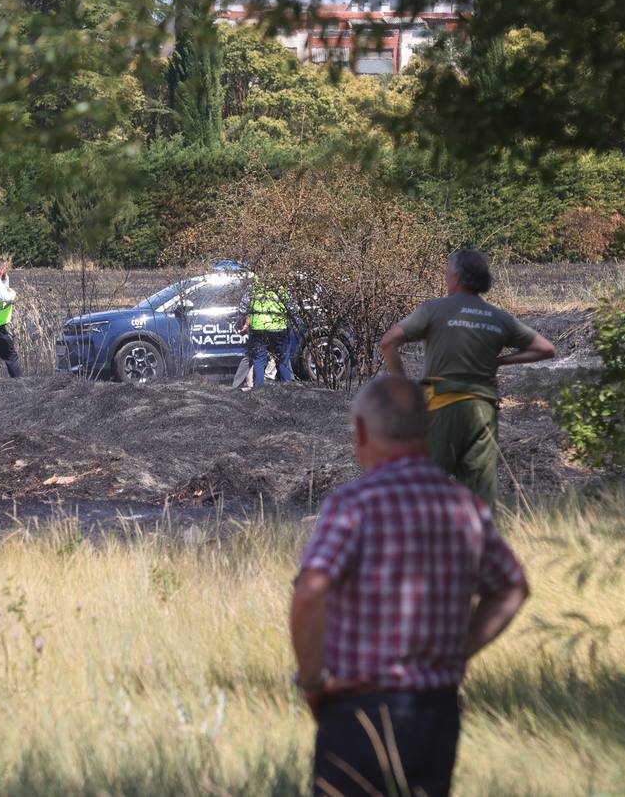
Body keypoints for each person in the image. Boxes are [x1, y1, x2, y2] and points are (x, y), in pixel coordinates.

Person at [290, 376, 529, 797]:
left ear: (362, 432)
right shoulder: (463, 506)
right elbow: (511, 589)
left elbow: (310, 590)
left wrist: (313, 682)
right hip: (437, 711)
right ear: (428, 431)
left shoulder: (354, 504)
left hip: (360, 709)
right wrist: (458, 649)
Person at [378, 250, 556, 505]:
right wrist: (500, 360)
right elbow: (546, 348)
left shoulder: (433, 309)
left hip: (441, 408)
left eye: (447, 272)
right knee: (480, 499)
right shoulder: (498, 316)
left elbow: (388, 342)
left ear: (457, 278)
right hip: (484, 411)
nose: (445, 276)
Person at [237, 276, 294, 389]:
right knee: (282, 360)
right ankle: (287, 390)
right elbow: (293, 307)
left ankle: (259, 391)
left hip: (259, 329)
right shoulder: (281, 288)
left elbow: (243, 307)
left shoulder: (253, 287)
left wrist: (241, 322)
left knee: (259, 360)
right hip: (279, 328)